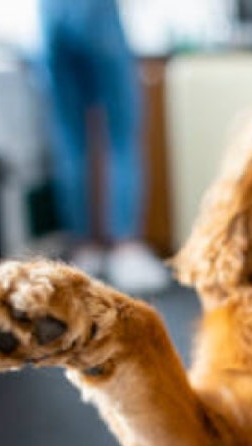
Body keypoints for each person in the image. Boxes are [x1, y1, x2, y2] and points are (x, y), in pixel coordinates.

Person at [38, 0, 170, 294]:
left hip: (48, 11)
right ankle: (125, 247)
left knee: (70, 136)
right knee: (121, 129)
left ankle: (86, 248)